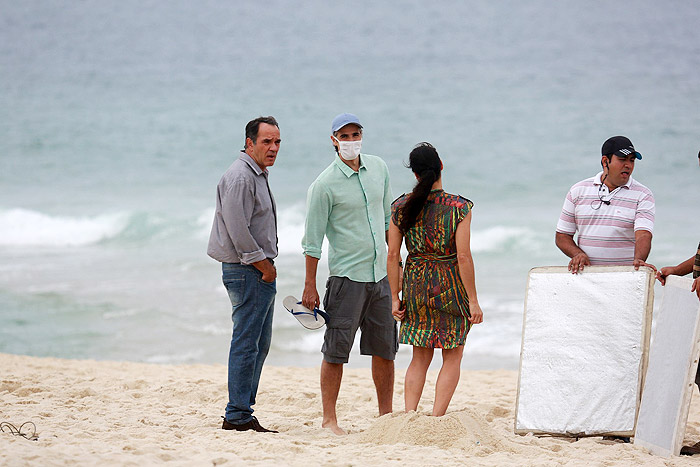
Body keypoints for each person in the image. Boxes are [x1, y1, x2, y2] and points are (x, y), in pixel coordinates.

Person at [301, 113, 397, 435]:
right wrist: (309, 287)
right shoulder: (323, 185)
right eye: (344, 136)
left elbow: (386, 221)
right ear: (333, 140)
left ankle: (386, 417)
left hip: (380, 277)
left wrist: (396, 262)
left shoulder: (379, 169)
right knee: (335, 352)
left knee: (385, 350)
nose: (351, 140)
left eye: (355, 134)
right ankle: (329, 420)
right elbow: (312, 242)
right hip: (345, 279)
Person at [388, 142, 483, 416]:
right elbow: (463, 257)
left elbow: (393, 254)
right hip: (450, 284)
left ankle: (409, 415)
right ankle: (437, 416)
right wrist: (473, 301)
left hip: (415, 284)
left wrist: (395, 296)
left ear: (415, 174)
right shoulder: (459, 207)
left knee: (420, 356)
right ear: (441, 166)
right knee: (452, 353)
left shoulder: (400, 206)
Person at [207, 116, 281, 433]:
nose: (273, 148)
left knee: (258, 344)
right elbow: (239, 231)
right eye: (266, 142)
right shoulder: (241, 177)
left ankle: (242, 411)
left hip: (256, 270)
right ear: (249, 143)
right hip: (247, 271)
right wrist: (264, 266)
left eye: (277, 142)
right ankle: (236, 414)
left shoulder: (257, 174)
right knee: (246, 343)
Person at [555, 135, 656, 273]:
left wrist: (639, 259)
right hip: (586, 276)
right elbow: (562, 236)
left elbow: (643, 234)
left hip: (624, 277)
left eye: (632, 160)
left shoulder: (643, 194)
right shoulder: (578, 190)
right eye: (622, 159)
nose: (628, 165)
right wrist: (577, 254)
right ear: (605, 161)